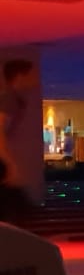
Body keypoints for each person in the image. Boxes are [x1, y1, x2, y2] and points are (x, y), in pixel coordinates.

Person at [0, 60, 39, 224]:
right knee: (18, 210)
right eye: (31, 75)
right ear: (19, 77)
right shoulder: (9, 99)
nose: (35, 79)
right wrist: (9, 165)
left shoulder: (13, 99)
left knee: (16, 209)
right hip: (2, 164)